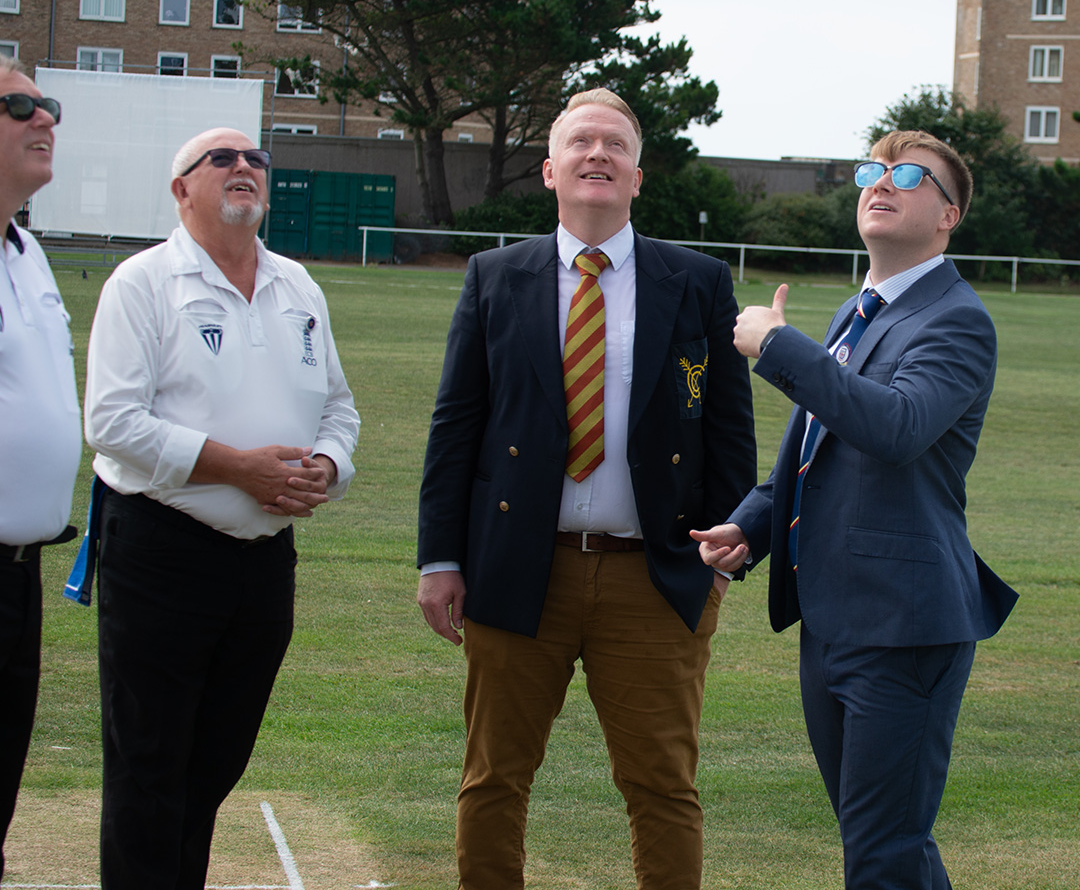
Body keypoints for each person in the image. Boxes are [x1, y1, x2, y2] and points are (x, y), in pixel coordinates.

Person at [417, 89, 756, 890]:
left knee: (662, 785)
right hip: (516, 570)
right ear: (550, 171)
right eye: (581, 142)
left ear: (637, 176)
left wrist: (722, 555)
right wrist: (439, 558)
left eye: (616, 145)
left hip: (655, 577)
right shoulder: (495, 276)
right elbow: (456, 425)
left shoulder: (698, 281)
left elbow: (728, 432)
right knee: (494, 777)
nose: (598, 153)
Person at [693, 130, 1018, 890]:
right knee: (882, 843)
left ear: (949, 215)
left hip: (906, 626)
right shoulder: (858, 311)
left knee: (883, 853)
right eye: (873, 170)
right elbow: (819, 450)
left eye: (909, 176)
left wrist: (780, 347)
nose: (881, 182)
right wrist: (752, 525)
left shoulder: (957, 319)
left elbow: (896, 427)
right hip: (834, 618)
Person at [84, 127, 359, 889]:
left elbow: (338, 407)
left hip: (264, 564)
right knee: (149, 765)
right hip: (161, 550)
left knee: (213, 765)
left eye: (256, 160)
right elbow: (111, 422)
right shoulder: (142, 283)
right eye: (223, 159)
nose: (246, 167)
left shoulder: (297, 285)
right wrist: (237, 468)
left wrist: (325, 468)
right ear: (182, 189)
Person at [0, 57, 81, 880]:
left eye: (47, 104)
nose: (45, 117)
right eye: (19, 107)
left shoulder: (26, 251)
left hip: (21, 577)